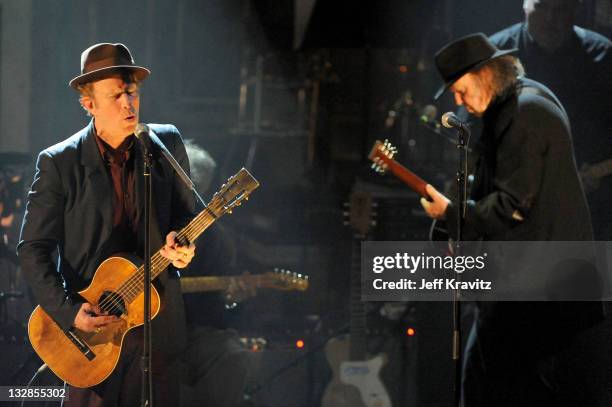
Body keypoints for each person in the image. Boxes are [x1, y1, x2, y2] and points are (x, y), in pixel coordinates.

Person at [423, 33, 604, 406]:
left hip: (536, 295)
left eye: (460, 90)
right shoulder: (519, 103)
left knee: (500, 388)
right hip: (526, 291)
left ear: (485, 74)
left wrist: (451, 213)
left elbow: (511, 206)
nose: (458, 101)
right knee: (485, 384)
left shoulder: (525, 113)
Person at [18, 43, 197, 406]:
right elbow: (33, 248)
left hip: (157, 327)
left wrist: (185, 248)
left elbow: (187, 214)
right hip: (93, 331)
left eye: (131, 93)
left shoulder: (165, 143)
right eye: (115, 96)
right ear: (89, 104)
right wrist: (69, 312)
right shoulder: (60, 162)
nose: (127, 104)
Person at [489, 0, 612, 239]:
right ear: (525, 6)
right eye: (542, 7)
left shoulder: (604, 55)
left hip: (589, 204)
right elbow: (473, 132)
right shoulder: (496, 54)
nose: (551, 18)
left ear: (575, 10)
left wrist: (598, 174)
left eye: (562, 9)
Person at [180, 140, 254, 407]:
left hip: (188, 332)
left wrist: (233, 299)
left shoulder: (217, 241)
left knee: (231, 354)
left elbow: (218, 315)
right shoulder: (142, 217)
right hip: (135, 327)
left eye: (202, 188)